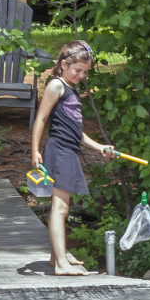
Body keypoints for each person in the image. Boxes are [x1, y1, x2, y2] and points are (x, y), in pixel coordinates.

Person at [31, 40, 113, 276]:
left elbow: (75, 129)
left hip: (68, 149)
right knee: (60, 207)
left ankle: (55, 257)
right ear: (64, 64)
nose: (81, 75)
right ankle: (60, 264)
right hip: (58, 151)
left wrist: (98, 147)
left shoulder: (70, 87)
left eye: (85, 72)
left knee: (62, 207)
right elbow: (40, 119)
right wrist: (34, 150)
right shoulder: (57, 85)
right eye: (78, 70)